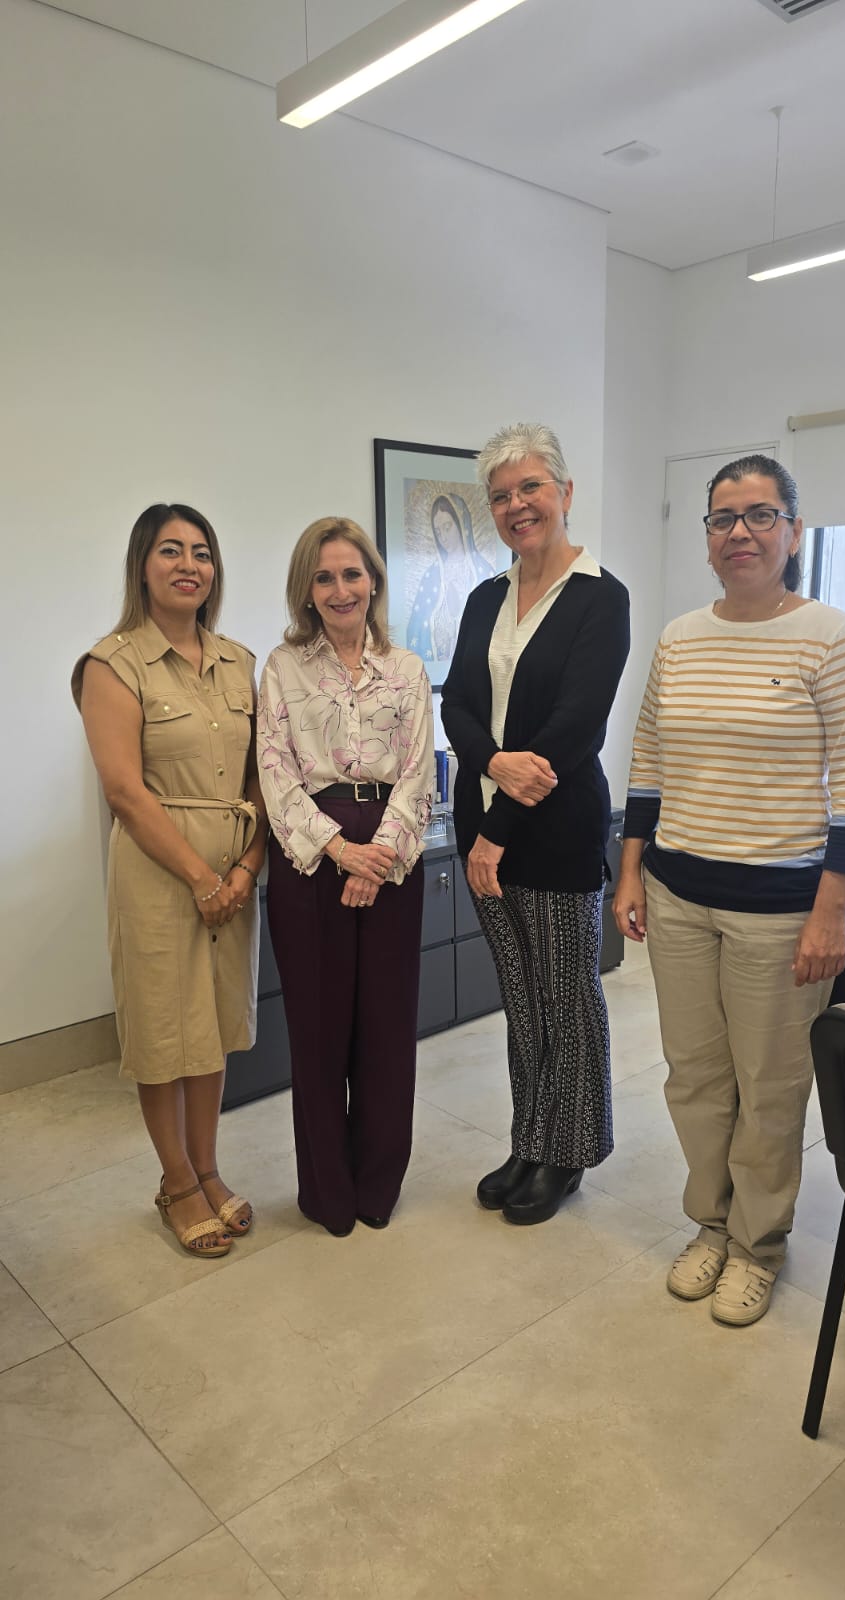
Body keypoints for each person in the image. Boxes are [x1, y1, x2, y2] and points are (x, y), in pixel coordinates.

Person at [613, 455, 845, 1325]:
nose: (740, 533)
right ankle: (712, 1223)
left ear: (793, 532)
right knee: (694, 1079)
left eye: (760, 516)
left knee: (770, 1085)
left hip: (781, 910)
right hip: (680, 896)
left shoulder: (831, 636)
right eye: (724, 519)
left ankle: (758, 1245)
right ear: (706, 539)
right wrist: (630, 870)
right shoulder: (680, 638)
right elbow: (648, 761)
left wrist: (830, 910)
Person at [442, 423, 630, 1224]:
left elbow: (573, 728)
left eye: (530, 488)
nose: (517, 505)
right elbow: (455, 699)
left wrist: (497, 830)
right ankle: (529, 1138)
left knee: (566, 999)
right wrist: (489, 766)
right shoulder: (487, 596)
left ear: (564, 494)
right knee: (520, 1003)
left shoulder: (601, 597)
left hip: (549, 835)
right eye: (502, 495)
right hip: (482, 824)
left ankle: (569, 1152)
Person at [73, 504, 268, 1257]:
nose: (190, 564)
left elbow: (261, 776)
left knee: (213, 1028)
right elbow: (123, 788)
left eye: (202, 552)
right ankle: (176, 1182)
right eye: (171, 551)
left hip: (236, 873)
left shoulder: (239, 660)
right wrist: (199, 876)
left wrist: (246, 867)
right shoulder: (112, 663)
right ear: (142, 566)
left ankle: (209, 1168)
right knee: (163, 1030)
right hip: (160, 875)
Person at [257, 517, 433, 1237]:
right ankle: (328, 1193)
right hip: (312, 856)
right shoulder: (283, 667)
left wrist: (380, 855)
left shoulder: (408, 669)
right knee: (321, 1031)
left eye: (352, 574)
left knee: (388, 1028)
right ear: (307, 588)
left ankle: (376, 1187)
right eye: (324, 577)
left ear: (373, 581)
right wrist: (339, 851)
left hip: (390, 852)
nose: (340, 589)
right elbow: (274, 771)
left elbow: (421, 772)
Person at [407, 492, 494, 663]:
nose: (444, 538)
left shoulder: (484, 572)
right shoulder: (431, 576)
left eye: (447, 527)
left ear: (462, 524)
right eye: (438, 532)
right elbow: (416, 628)